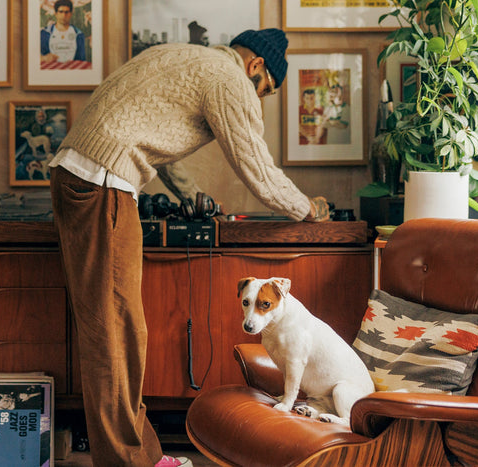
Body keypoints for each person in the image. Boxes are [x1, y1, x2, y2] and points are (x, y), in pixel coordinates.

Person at [49, 28, 330, 467]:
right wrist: (308, 209)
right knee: (117, 334)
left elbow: (160, 149)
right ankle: (128, 462)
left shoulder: (184, 56)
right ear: (256, 65)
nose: (260, 98)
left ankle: (141, 455)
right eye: (266, 90)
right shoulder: (229, 78)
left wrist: (193, 197)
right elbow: (255, 165)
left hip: (83, 174)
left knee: (115, 331)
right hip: (103, 182)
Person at [40, 0, 86, 65]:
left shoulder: (78, 34)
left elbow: (81, 60)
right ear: (56, 13)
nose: (64, 15)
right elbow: (34, 57)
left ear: (71, 13)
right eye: (61, 12)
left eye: (66, 12)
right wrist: (44, 58)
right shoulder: (45, 33)